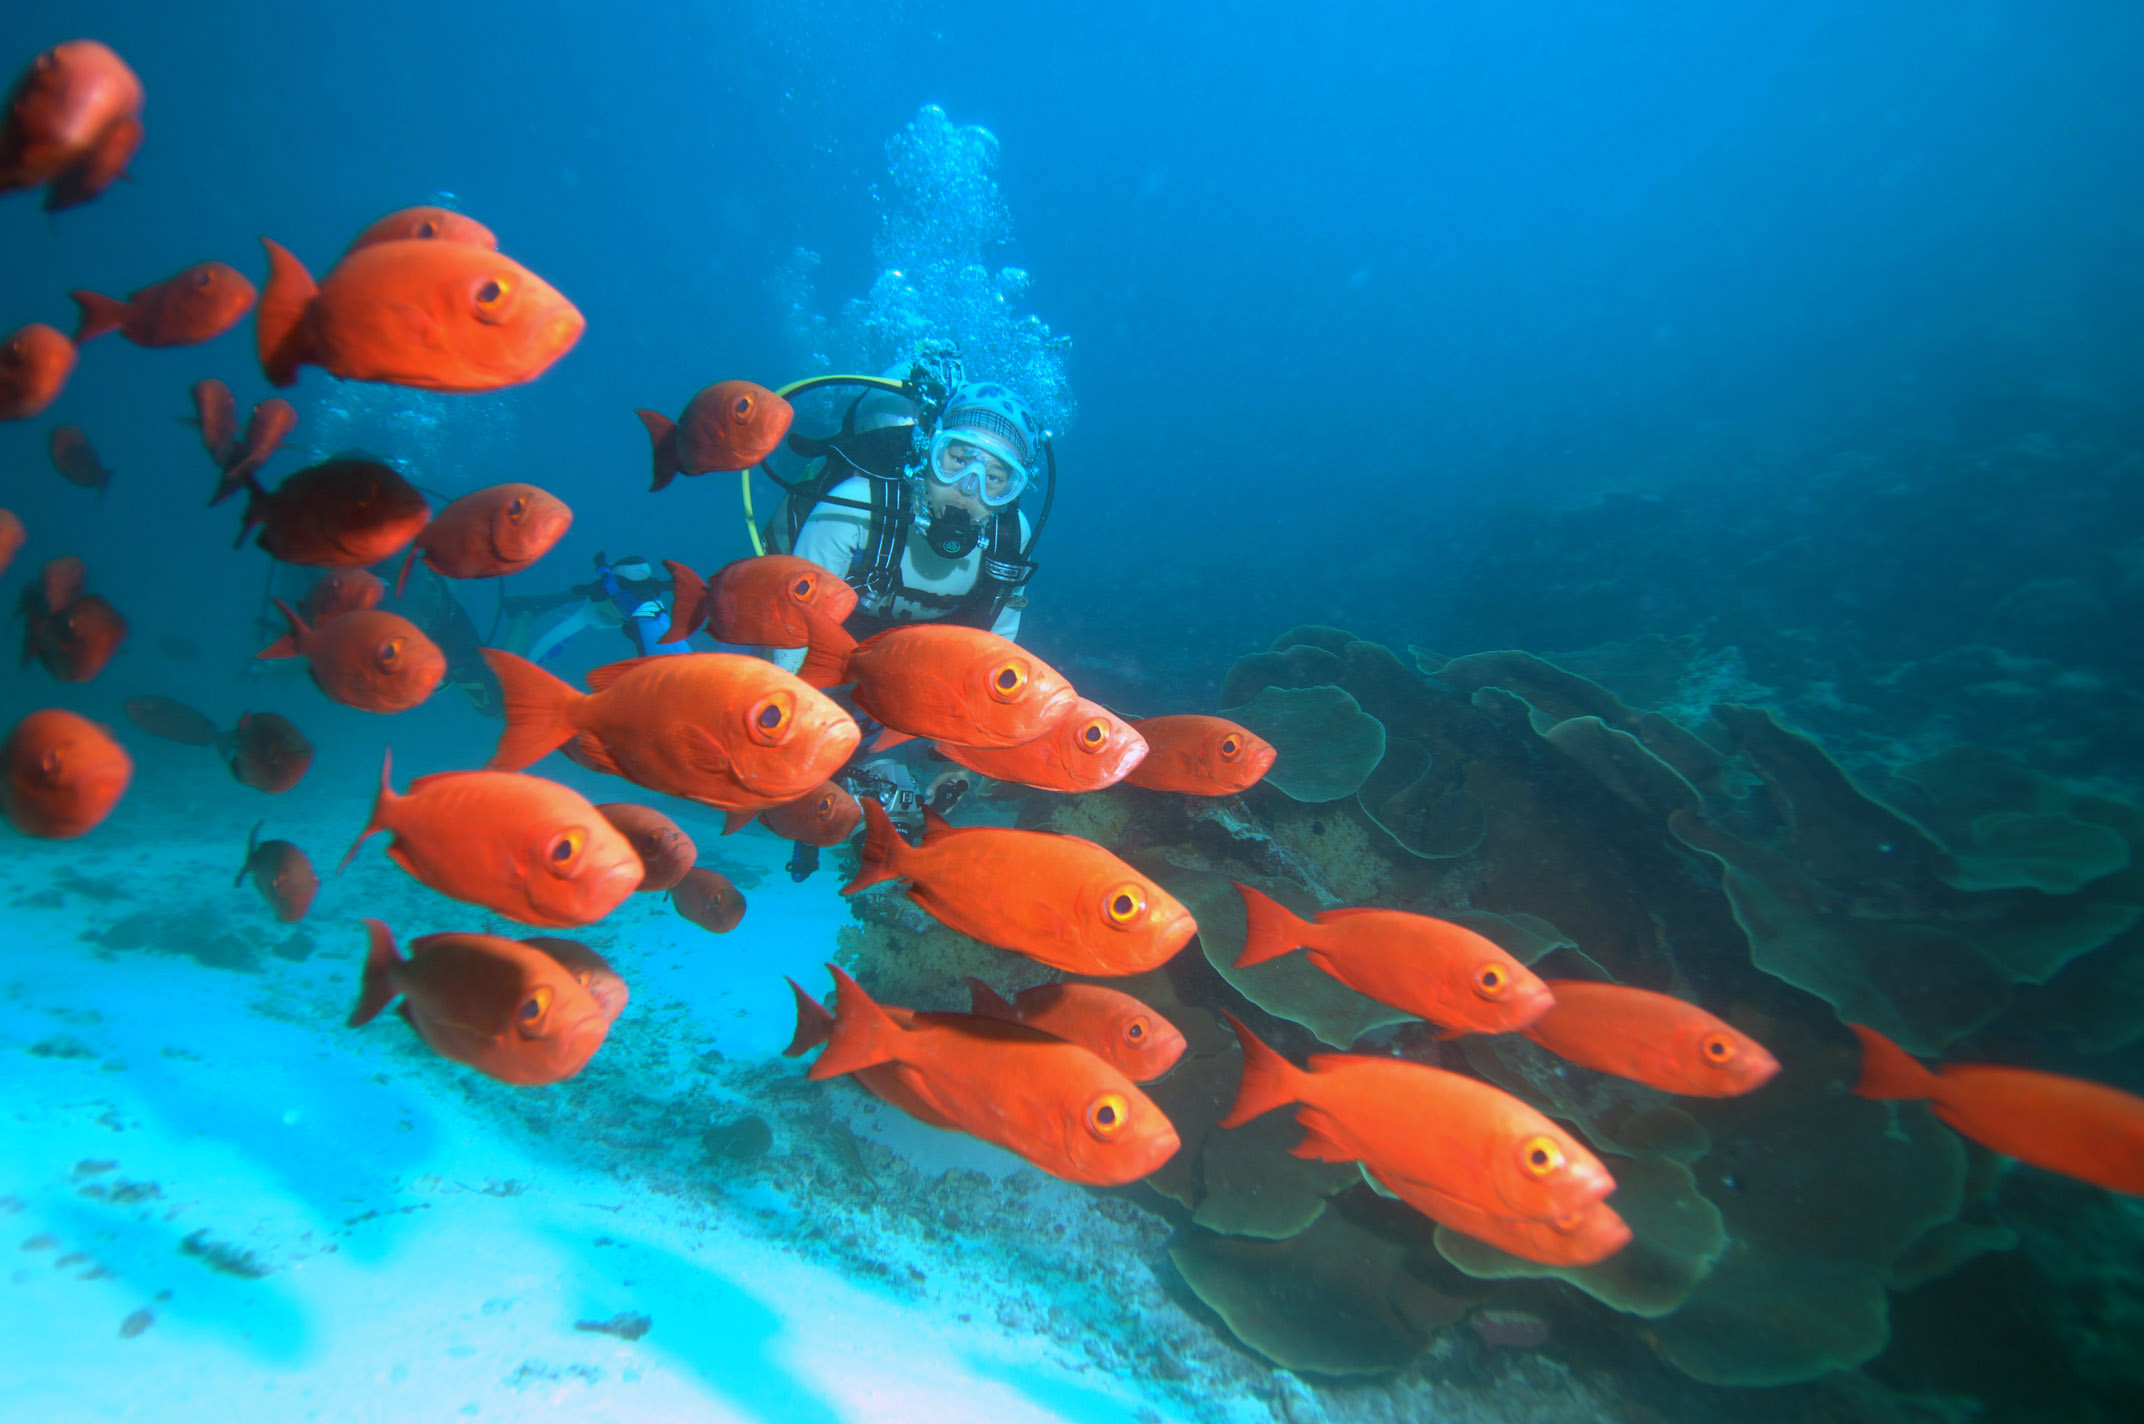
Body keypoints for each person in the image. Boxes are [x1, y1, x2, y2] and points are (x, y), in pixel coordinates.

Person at [769, 370, 1050, 867]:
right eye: (958, 459)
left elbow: (994, 660)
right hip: (818, 645)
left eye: (996, 478)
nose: (969, 489)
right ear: (928, 451)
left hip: (898, 673)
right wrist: (796, 747)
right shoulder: (858, 505)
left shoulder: (1012, 539)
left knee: (897, 799)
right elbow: (791, 634)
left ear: (1014, 489)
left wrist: (962, 760)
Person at [496, 552, 691, 665]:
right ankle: (528, 608)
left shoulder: (618, 588)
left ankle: (530, 607)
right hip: (629, 618)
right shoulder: (616, 588)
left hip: (631, 620)